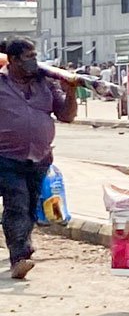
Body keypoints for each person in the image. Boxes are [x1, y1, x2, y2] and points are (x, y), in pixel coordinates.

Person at [0, 36, 78, 279]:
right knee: (17, 203)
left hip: (40, 159)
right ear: (12, 60)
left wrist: (71, 92)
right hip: (6, 158)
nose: (34, 62)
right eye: (28, 57)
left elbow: (66, 115)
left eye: (35, 56)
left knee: (32, 206)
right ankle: (19, 257)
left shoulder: (46, 84)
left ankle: (23, 245)